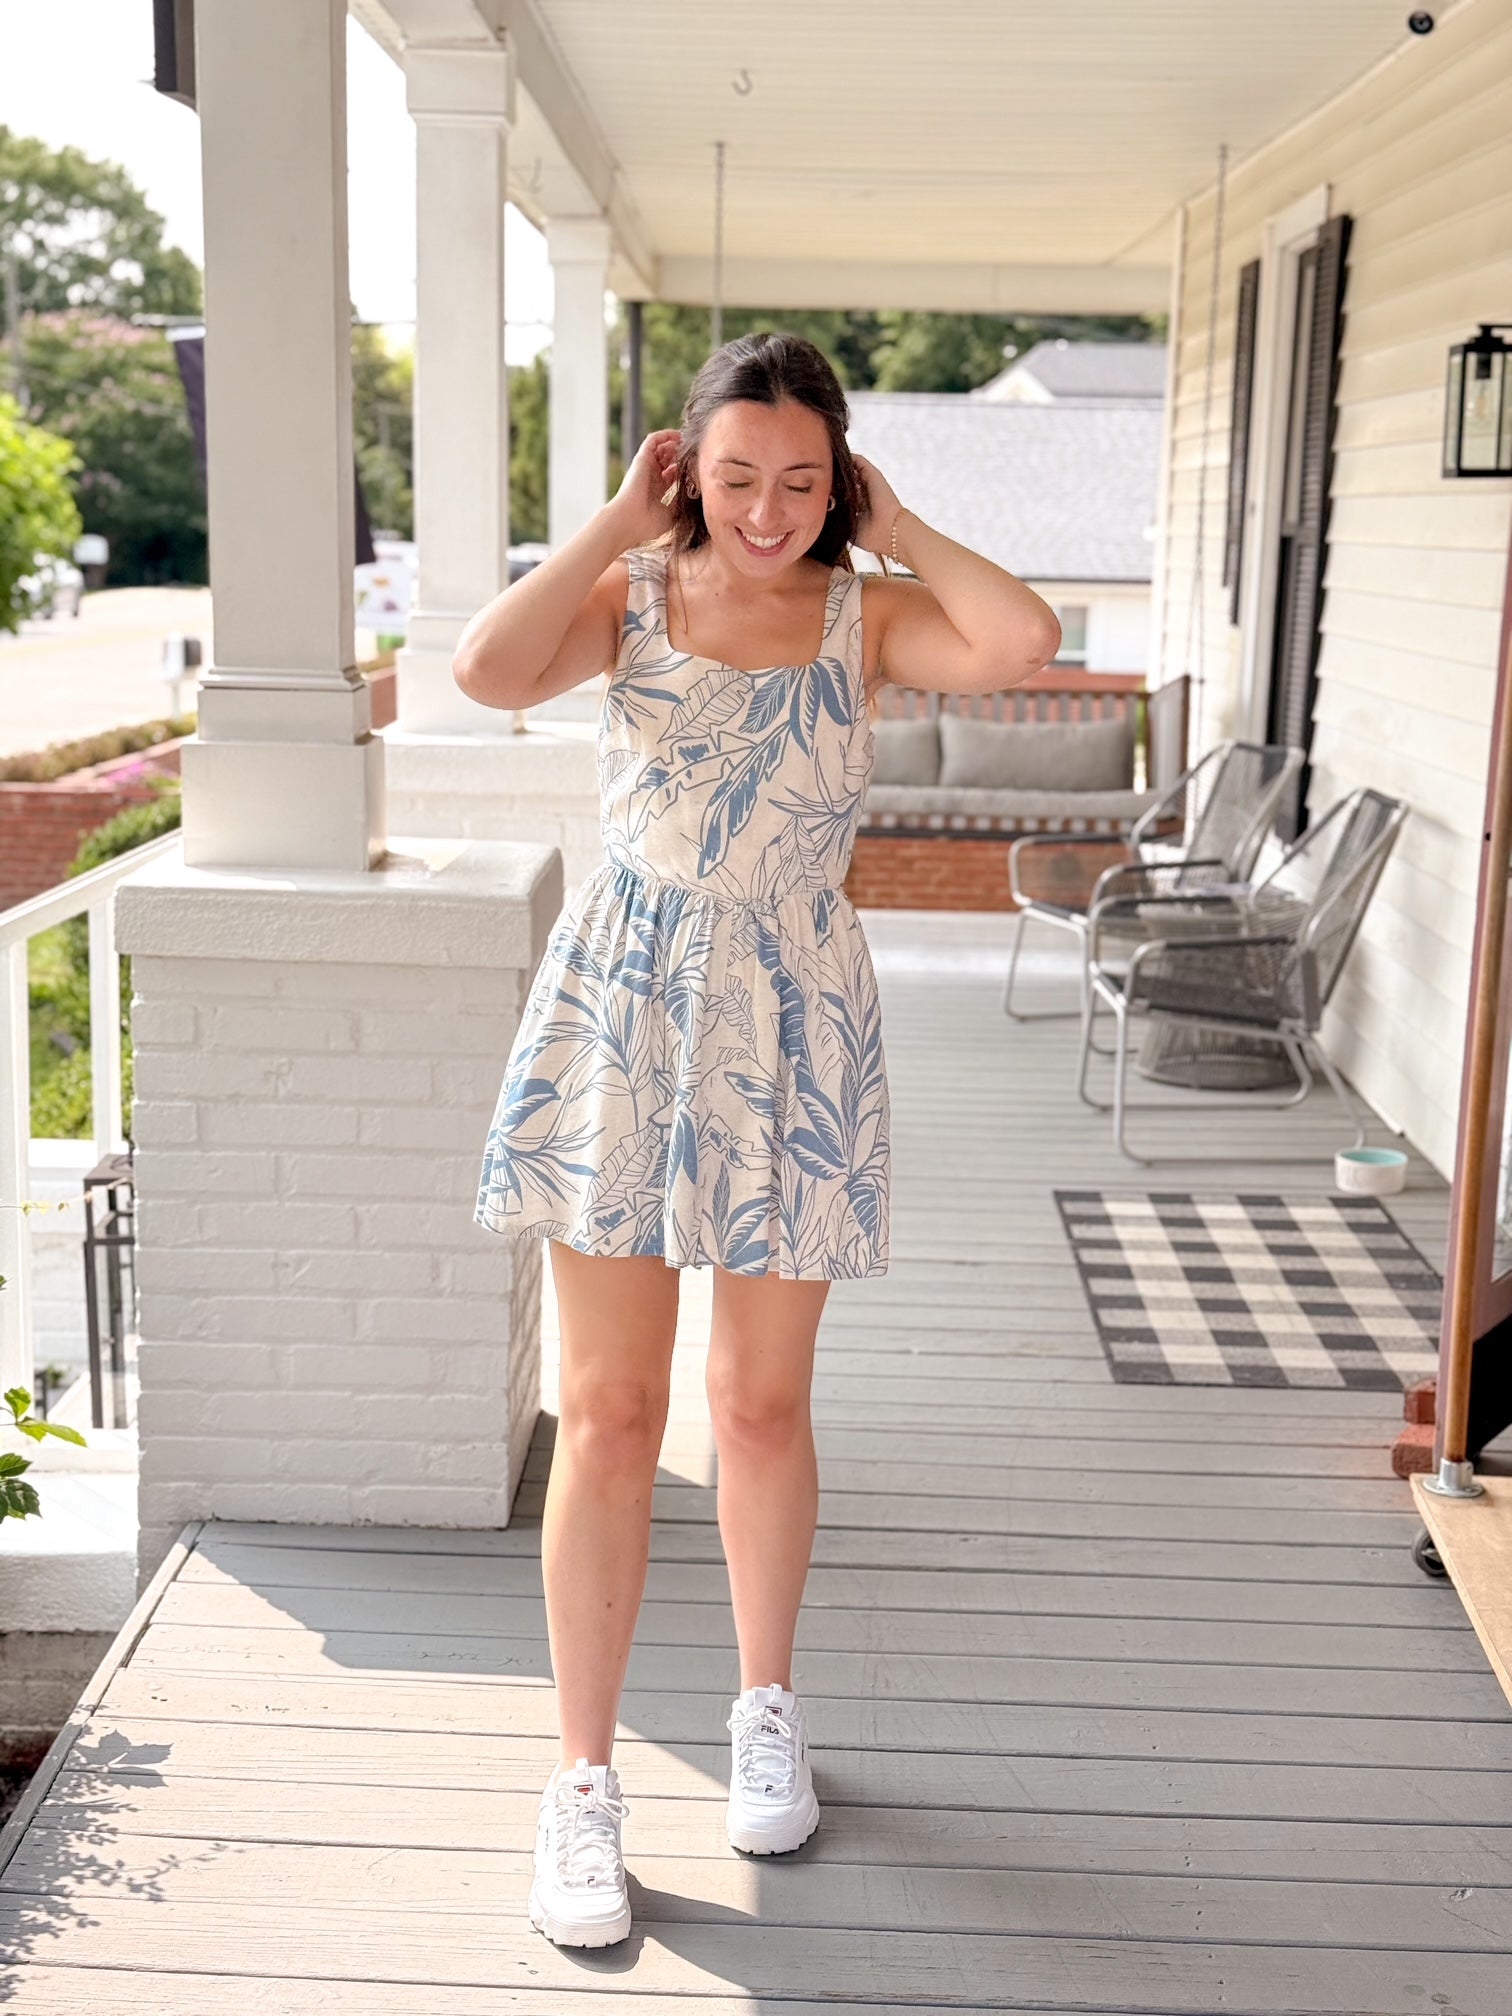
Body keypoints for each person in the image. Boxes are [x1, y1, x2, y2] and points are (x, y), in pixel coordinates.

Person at [453, 331, 1060, 1949]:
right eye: (736, 477)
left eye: (802, 479)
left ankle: (763, 1709)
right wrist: (607, 519)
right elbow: (486, 673)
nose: (769, 509)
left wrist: (899, 523)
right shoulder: (633, 602)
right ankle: (581, 1784)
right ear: (686, 472)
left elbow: (1022, 641)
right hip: (629, 1008)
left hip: (795, 1016)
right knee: (607, 1408)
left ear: (837, 476)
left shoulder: (867, 620)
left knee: (759, 1401)